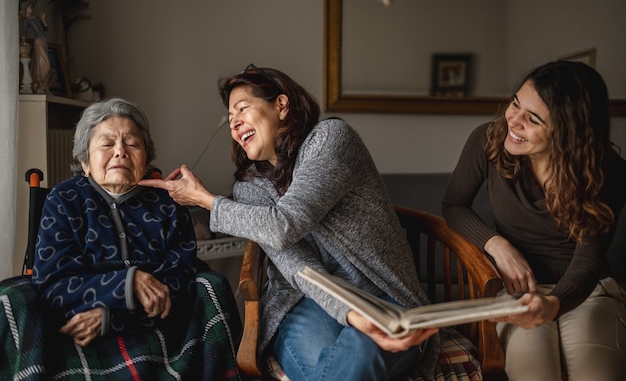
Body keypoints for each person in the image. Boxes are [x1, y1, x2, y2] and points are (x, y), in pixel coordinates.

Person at [139, 64, 442, 380]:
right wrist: (351, 315)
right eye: (230, 119)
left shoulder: (330, 139)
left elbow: (284, 223)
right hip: (303, 301)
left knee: (359, 353)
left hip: (379, 292)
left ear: (281, 105)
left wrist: (205, 200)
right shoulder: (249, 187)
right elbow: (298, 267)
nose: (234, 123)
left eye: (242, 109)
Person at [30, 98, 241, 380]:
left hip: (156, 328)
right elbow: (53, 283)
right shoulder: (64, 200)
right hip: (80, 329)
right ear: (84, 162)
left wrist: (113, 319)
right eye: (106, 144)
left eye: (132, 143)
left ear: (146, 158)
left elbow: (180, 281)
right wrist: (128, 282)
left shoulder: (168, 203)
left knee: (211, 284)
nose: (120, 152)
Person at [441, 60, 626, 381]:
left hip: (589, 291)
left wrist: (553, 304)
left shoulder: (607, 169)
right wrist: (496, 244)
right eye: (515, 103)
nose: (514, 120)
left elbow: (587, 263)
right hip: (516, 293)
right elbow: (454, 205)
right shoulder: (487, 140)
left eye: (533, 118)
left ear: (569, 133)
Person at [19, 0, 49, 94]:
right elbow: (24, 33)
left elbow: (45, 28)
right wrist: (23, 43)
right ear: (25, 8)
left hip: (44, 40)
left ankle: (42, 85)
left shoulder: (35, 17)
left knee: (41, 64)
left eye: (32, 7)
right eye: (29, 7)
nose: (31, 9)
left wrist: (43, 19)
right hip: (38, 42)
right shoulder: (26, 20)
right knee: (45, 65)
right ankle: (39, 82)